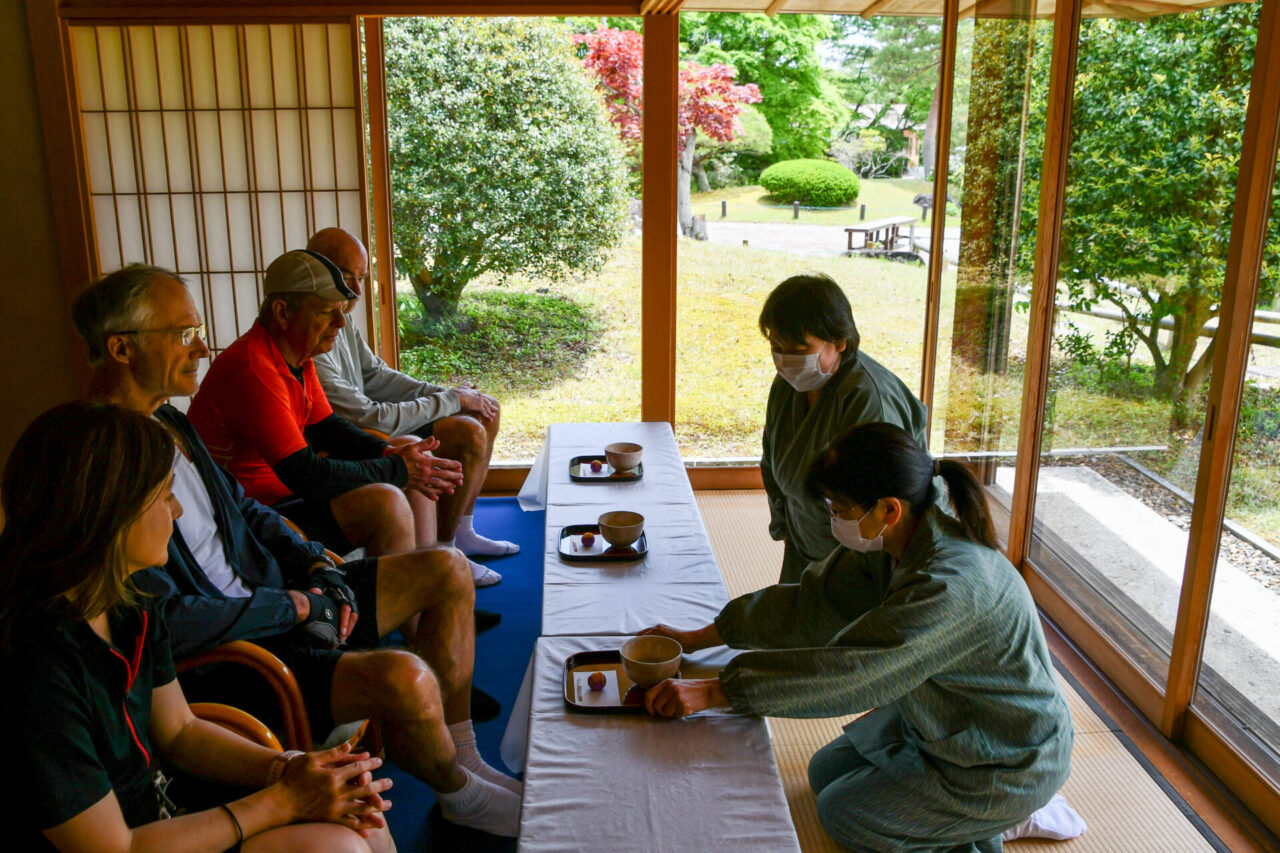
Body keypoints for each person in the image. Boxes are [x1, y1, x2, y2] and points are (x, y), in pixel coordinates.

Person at [73, 265, 522, 837]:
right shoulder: (104, 466)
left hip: (274, 597)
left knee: (446, 567)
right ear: (121, 348)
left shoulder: (165, 420)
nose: (203, 347)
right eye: (183, 333)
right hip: (235, 647)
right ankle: (458, 792)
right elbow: (161, 620)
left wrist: (313, 563)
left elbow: (245, 508)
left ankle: (465, 757)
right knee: (404, 677)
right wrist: (296, 605)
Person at [640, 422, 1075, 852]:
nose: (834, 518)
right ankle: (971, 820)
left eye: (839, 508)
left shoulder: (947, 586)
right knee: (824, 772)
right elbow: (813, 602)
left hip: (1004, 758)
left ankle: (1003, 820)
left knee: (842, 813)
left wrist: (718, 692)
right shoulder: (906, 535)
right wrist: (701, 637)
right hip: (946, 721)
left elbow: (851, 671)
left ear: (888, 508)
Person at [0, 402, 394, 852]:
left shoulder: (135, 594)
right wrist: (285, 800)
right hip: (126, 839)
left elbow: (180, 730)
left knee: (362, 819)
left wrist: (288, 767)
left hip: (161, 811)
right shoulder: (36, 664)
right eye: (165, 495)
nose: (178, 512)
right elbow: (115, 847)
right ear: (111, 513)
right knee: (338, 846)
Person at [187, 249, 467, 566]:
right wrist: (397, 469)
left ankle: (430, 575)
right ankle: (402, 602)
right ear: (282, 313)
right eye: (325, 312)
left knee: (408, 447)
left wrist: (389, 454)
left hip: (285, 496)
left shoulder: (298, 358)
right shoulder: (252, 369)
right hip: (247, 517)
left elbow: (329, 429)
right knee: (385, 501)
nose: (340, 322)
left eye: (341, 311)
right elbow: (306, 475)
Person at [308, 227, 516, 587]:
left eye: (362, 278)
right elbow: (365, 416)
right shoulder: (312, 329)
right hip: (357, 440)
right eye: (347, 277)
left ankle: (460, 535)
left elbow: (375, 375)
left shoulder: (341, 316)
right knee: (462, 430)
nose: (357, 291)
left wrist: (448, 392)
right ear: (316, 270)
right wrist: (449, 400)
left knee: (482, 410)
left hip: (371, 429)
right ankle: (446, 552)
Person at [759, 274, 928, 584]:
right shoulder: (786, 388)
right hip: (803, 542)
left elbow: (878, 516)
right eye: (776, 347)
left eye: (798, 350)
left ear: (839, 341)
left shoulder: (867, 400)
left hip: (862, 560)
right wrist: (784, 525)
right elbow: (771, 458)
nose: (785, 361)